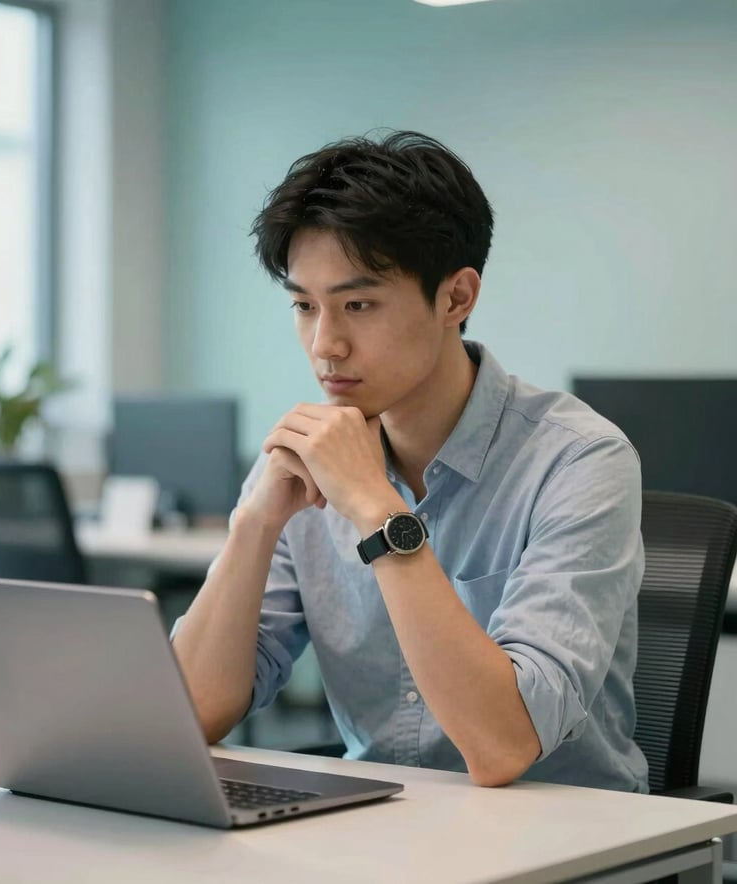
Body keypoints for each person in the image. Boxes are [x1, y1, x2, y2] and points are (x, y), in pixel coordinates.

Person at [172, 130, 649, 792]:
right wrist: (255, 523)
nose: (325, 345)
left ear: (456, 298)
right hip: (379, 834)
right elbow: (192, 713)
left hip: (567, 843)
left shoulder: (578, 460)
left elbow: (502, 747)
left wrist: (378, 511)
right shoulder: (304, 457)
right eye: (304, 306)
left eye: (358, 305)